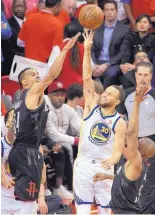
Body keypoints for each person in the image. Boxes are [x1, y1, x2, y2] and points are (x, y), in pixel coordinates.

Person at [8, 33, 80, 213]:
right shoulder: (32, 93)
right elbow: (52, 75)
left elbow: (11, 132)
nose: (37, 76)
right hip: (27, 153)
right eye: (33, 74)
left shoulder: (18, 98)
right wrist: (64, 50)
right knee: (28, 205)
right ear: (24, 82)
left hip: (20, 150)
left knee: (16, 199)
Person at [73, 30, 127, 214]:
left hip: (104, 167)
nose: (105, 94)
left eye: (110, 94)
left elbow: (118, 150)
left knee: (105, 211)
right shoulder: (91, 106)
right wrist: (87, 50)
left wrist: (112, 160)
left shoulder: (119, 122)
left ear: (117, 102)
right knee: (82, 210)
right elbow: (87, 77)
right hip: (84, 164)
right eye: (105, 92)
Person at [94, 86, 155, 214]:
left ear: (142, 152)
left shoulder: (136, 161)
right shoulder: (133, 164)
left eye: (140, 141)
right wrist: (107, 176)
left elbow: (132, 133)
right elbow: (124, 178)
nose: (137, 140)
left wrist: (137, 104)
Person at [91, 0, 129, 88]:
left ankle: (103, 99)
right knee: (85, 72)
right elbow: (91, 49)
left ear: (117, 11)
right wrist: (94, 65)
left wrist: (107, 64)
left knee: (110, 74)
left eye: (112, 10)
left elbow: (122, 53)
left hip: (113, 63)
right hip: (96, 62)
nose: (109, 12)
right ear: (103, 12)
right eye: (107, 10)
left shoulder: (124, 29)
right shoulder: (96, 27)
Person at [48, 23, 84, 88]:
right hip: (80, 87)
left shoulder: (58, 48)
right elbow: (91, 69)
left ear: (64, 34)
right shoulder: (84, 48)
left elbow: (51, 69)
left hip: (62, 87)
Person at [2, 0, 26, 75]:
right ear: (12, 8)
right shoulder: (7, 25)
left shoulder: (31, 22)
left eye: (21, 6)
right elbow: (7, 49)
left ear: (25, 8)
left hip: (32, 65)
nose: (19, 9)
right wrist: (26, 56)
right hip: (13, 67)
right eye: (16, 6)